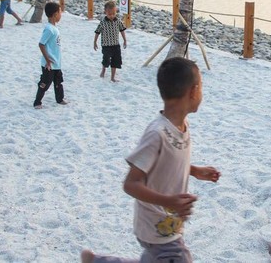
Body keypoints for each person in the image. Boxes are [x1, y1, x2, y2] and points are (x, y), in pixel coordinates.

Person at [81, 57, 221, 263]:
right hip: (155, 223)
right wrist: (170, 201)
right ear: (193, 91)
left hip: (169, 221)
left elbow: (166, 162)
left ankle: (96, 261)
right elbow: (131, 183)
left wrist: (194, 170)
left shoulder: (180, 126)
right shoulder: (157, 133)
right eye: (201, 87)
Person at [33, 2, 66, 109]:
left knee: (58, 82)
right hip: (49, 64)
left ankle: (60, 99)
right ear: (55, 14)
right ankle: (37, 102)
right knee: (45, 83)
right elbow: (41, 44)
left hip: (56, 62)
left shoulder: (54, 28)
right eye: (60, 12)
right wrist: (47, 60)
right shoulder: (49, 29)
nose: (61, 15)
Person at [93, 0, 127, 82]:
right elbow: (97, 32)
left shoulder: (118, 21)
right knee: (106, 60)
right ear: (105, 12)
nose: (112, 16)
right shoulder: (102, 23)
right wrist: (95, 42)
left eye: (113, 13)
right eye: (109, 14)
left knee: (116, 61)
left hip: (116, 45)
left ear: (116, 11)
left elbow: (122, 30)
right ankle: (104, 69)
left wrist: (125, 40)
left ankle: (112, 77)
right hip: (106, 45)